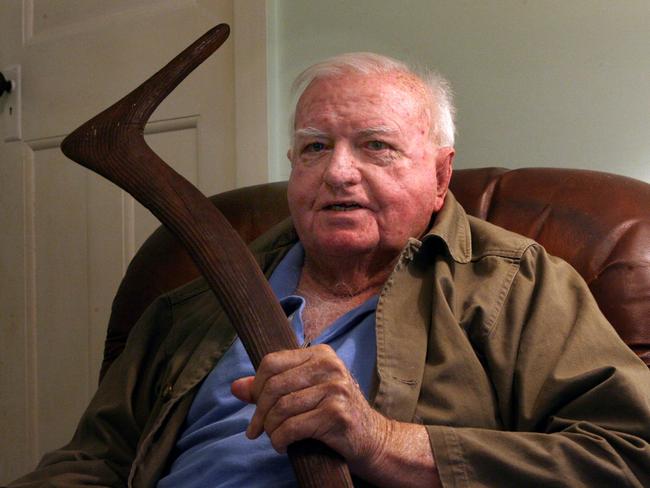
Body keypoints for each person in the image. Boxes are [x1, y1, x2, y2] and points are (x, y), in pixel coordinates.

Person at [8, 53, 650, 487]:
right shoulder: (192, 303)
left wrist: (383, 442)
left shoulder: (516, 283)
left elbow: (628, 455)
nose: (338, 171)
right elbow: (89, 462)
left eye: (376, 145)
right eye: (315, 147)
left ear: (441, 175)